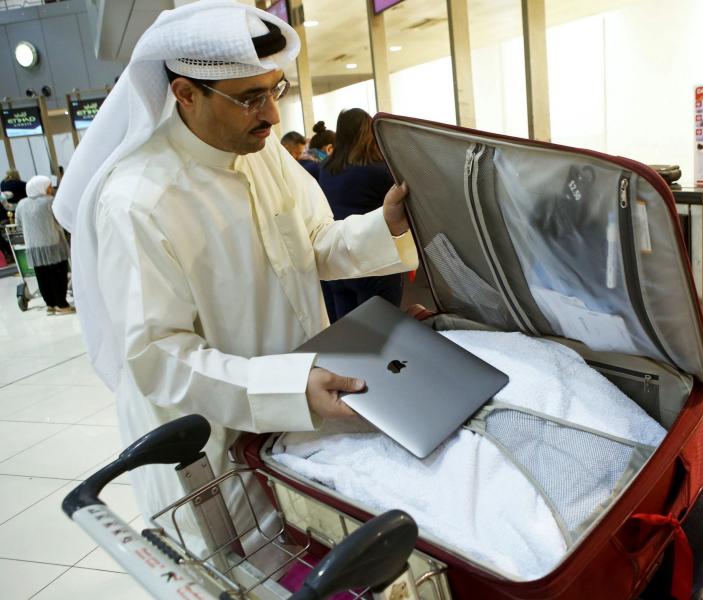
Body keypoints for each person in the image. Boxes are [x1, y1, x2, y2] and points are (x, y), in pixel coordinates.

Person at [52, 1, 418, 550]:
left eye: (276, 90)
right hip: (212, 457)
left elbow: (314, 242)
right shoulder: (137, 202)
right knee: (246, 571)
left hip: (297, 420)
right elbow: (159, 356)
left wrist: (382, 225)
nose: (272, 116)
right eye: (250, 98)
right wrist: (286, 387)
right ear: (186, 94)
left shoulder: (262, 153)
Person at [317, 108, 405, 322]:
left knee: (349, 333)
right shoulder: (379, 169)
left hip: (338, 261)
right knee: (382, 331)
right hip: (374, 261)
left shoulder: (325, 167)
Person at [15, 176, 73, 314]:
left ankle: (50, 305)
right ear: (40, 188)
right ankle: (62, 304)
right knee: (58, 276)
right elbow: (61, 219)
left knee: (42, 277)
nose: (51, 189)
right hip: (53, 245)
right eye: (48, 186)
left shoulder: (21, 204)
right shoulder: (49, 202)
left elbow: (18, 225)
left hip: (34, 248)